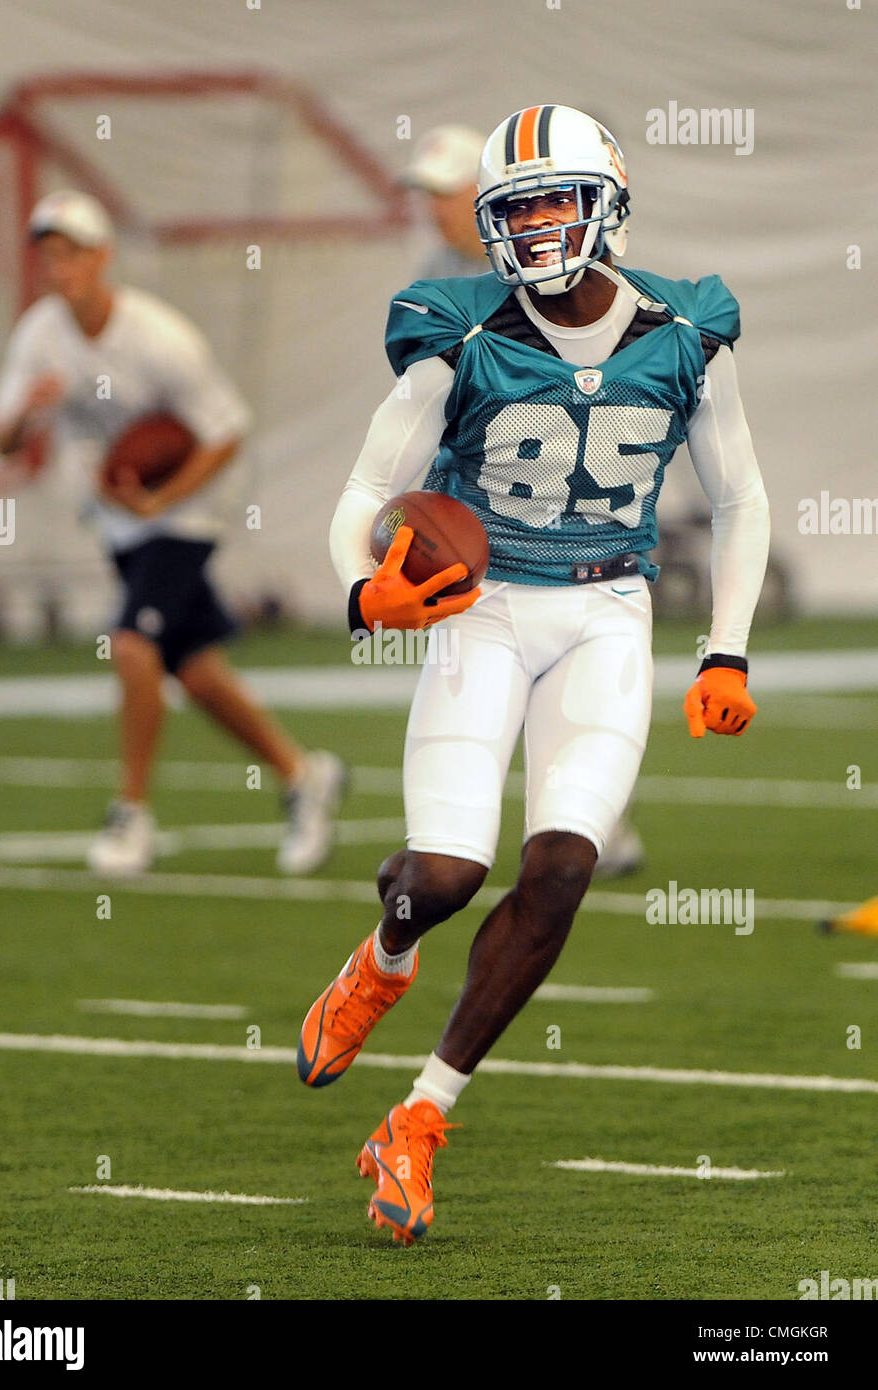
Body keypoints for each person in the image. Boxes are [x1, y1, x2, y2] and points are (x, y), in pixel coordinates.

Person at [296, 106, 771, 1245]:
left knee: (562, 869)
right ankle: (385, 954)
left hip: (608, 610)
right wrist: (366, 588)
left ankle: (418, 1115)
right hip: (488, 607)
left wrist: (726, 647)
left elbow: (743, 496)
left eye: (556, 200)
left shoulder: (685, 327)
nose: (539, 225)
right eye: (516, 208)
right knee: (448, 874)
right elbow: (365, 495)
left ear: (603, 201)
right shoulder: (458, 330)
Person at [0, 189, 344, 877]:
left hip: (190, 511)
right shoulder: (40, 334)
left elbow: (225, 431)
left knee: (130, 645)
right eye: (48, 257)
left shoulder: (158, 336)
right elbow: (2, 439)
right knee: (193, 668)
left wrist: (163, 496)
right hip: (121, 520)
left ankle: (132, 814)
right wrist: (28, 414)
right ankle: (302, 775)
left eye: (69, 254)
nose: (57, 269)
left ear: (100, 257)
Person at [406, 123, 643, 877]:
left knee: (583, 648)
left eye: (446, 193)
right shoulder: (440, 282)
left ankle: (592, 819)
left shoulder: (576, 275)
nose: (436, 209)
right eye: (432, 196)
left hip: (574, 485)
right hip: (491, 515)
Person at [402, 125, 491, 279]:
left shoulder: (533, 255)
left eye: (445, 193)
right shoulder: (437, 269)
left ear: (484, 188)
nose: (435, 207)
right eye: (429, 194)